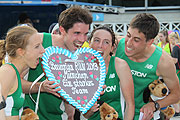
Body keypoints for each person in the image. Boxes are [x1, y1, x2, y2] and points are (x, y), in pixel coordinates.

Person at [23, 6, 93, 120]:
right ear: (62, 30)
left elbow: (70, 108)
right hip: (29, 115)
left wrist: (90, 92)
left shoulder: (80, 58)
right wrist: (40, 87)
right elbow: (14, 84)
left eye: (85, 34)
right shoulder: (38, 42)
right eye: (77, 33)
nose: (82, 39)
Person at [115, 13, 180, 120]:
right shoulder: (119, 45)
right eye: (128, 35)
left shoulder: (163, 61)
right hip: (116, 114)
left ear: (150, 42)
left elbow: (176, 94)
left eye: (136, 40)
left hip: (143, 116)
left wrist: (155, 105)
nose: (129, 43)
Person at [83, 26, 135, 120]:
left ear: (111, 48)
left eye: (106, 42)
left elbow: (130, 104)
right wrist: (90, 110)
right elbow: (85, 115)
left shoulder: (120, 65)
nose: (100, 45)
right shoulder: (82, 68)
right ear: (89, 43)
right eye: (97, 40)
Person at [0, 25, 45, 119]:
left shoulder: (15, 73)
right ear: (21, 51)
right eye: (37, 46)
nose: (43, 50)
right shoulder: (8, 71)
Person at [170, 31, 180, 117]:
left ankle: (177, 110)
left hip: (177, 70)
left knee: (175, 90)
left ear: (173, 39)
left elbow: (175, 60)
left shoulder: (175, 47)